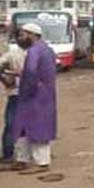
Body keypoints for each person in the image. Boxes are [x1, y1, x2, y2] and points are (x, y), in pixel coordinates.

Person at [9, 23, 58, 175]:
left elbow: (31, 72)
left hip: (34, 95)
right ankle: (22, 160)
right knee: (24, 127)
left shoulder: (34, 51)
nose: (20, 38)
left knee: (37, 128)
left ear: (32, 35)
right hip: (44, 94)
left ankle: (42, 163)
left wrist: (26, 87)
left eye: (23, 35)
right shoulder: (48, 50)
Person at [0, 43, 26, 163]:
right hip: (21, 94)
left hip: (18, 94)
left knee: (11, 125)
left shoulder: (12, 53)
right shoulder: (39, 51)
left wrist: (7, 78)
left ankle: (9, 155)